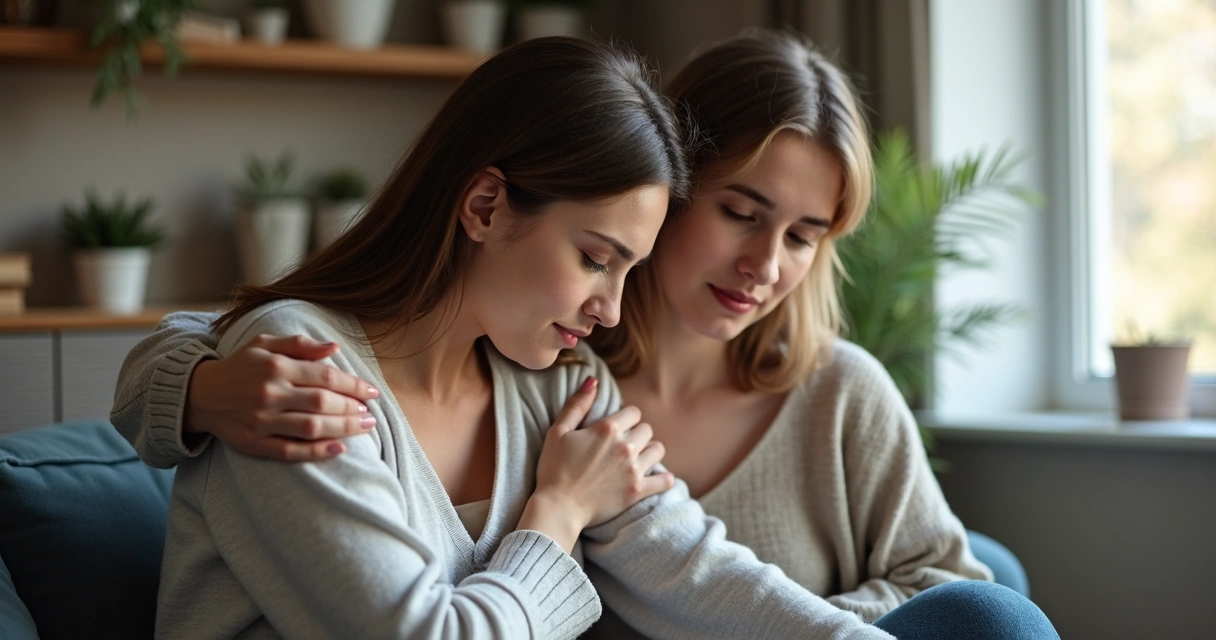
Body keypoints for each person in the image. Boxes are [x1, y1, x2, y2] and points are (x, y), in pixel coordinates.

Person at [115, 33, 1059, 639]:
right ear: (485, 205)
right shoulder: (303, 381)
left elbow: (686, 562)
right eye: (599, 257)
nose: (608, 311)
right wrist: (555, 519)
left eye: (627, 268)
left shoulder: (554, 382)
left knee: (985, 616)